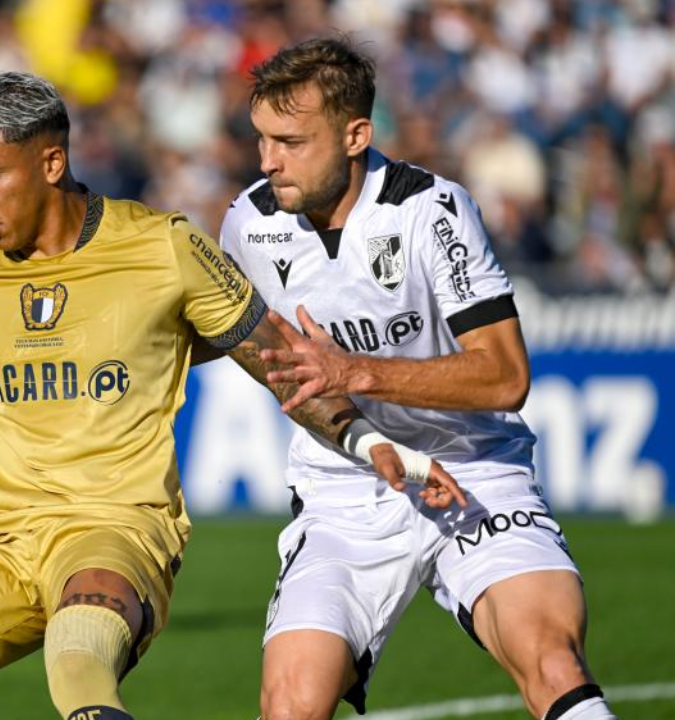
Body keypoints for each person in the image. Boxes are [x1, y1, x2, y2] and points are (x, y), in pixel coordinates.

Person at [0, 71, 464, 720]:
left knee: (78, 658)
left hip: (115, 530)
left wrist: (371, 442)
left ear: (51, 163)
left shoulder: (162, 248)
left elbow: (280, 359)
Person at [216, 38, 616, 720]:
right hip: (345, 491)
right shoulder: (249, 225)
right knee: (291, 704)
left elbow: (504, 375)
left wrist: (355, 369)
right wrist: (381, 443)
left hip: (474, 472)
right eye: (261, 140)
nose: (268, 162)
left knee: (551, 661)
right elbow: (289, 380)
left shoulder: (433, 209)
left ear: (356, 135)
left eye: (290, 141)